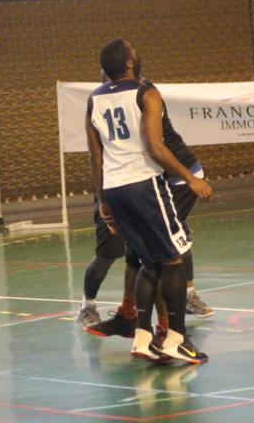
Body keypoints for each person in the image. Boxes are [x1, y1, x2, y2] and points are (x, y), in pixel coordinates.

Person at [85, 38, 213, 363]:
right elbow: (155, 147)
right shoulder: (146, 93)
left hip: (114, 189)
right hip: (144, 185)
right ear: (129, 62)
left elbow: (95, 157)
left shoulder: (94, 99)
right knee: (172, 260)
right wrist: (191, 179)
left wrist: (102, 202)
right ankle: (176, 340)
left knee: (147, 261)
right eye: (133, 49)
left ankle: (142, 337)